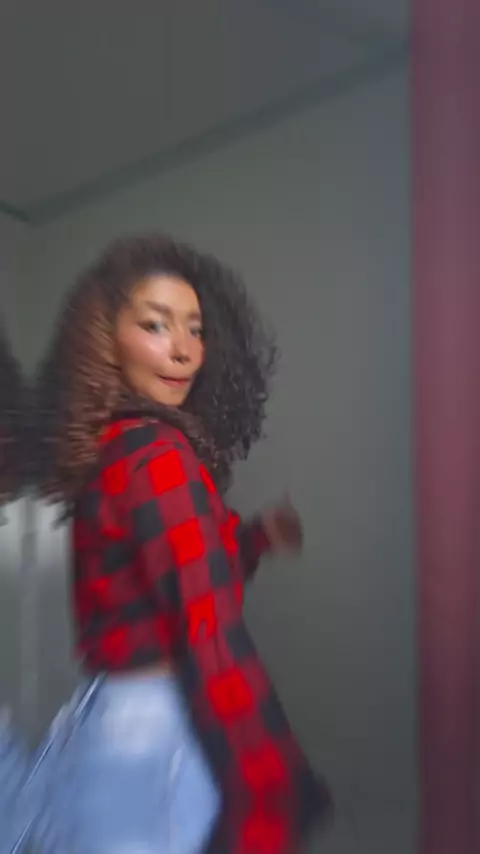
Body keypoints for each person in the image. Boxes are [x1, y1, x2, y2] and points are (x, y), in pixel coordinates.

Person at [32, 234, 333, 854]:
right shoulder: (156, 456)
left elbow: (176, 573)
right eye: (155, 324)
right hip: (158, 733)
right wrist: (273, 784)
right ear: (105, 339)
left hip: (108, 714)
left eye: (196, 329)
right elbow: (206, 625)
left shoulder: (115, 447)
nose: (184, 351)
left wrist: (256, 539)